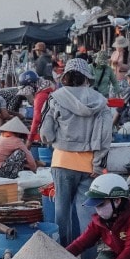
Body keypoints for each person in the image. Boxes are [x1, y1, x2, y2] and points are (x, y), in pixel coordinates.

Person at [39, 58, 112, 248]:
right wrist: (98, 165)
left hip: (62, 162)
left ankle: (65, 253)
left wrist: (56, 139)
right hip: (89, 165)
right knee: (86, 212)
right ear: (86, 78)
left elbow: (45, 133)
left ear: (66, 77)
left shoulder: (55, 97)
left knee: (61, 212)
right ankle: (88, 258)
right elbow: (105, 138)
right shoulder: (100, 102)